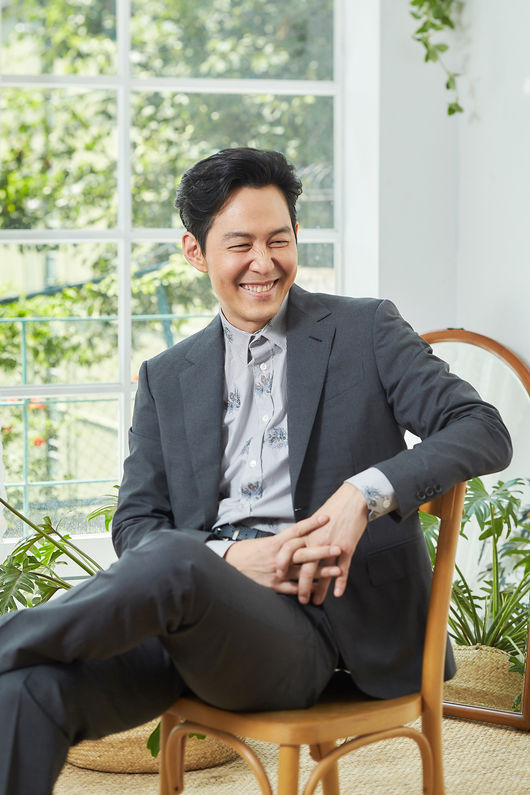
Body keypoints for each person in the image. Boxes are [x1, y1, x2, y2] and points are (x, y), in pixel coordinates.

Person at [0, 148, 512, 795]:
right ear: (195, 252)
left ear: (297, 236)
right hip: (190, 631)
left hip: (323, 637)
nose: (264, 263)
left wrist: (362, 494)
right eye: (240, 244)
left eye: (279, 240)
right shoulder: (166, 377)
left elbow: (481, 427)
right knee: (27, 689)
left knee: (177, 558)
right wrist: (237, 560)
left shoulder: (365, 330)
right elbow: (135, 525)